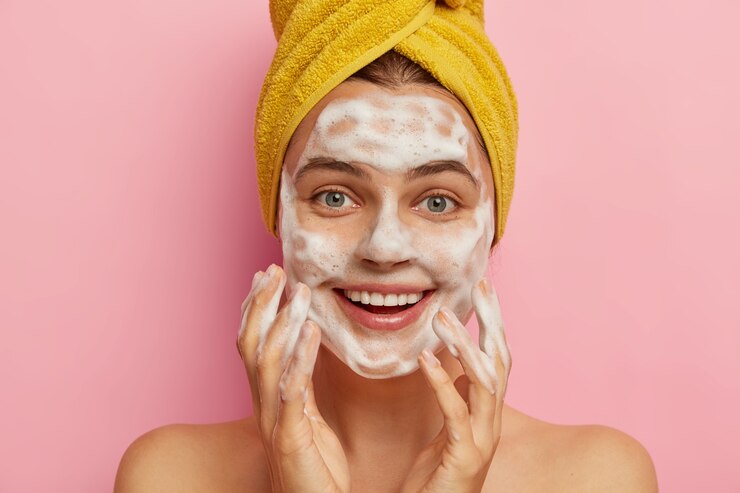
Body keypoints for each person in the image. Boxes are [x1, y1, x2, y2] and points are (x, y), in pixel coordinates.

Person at [115, 1, 658, 491]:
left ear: (493, 224)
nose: (384, 247)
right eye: (334, 196)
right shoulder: (170, 476)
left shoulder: (597, 478)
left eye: (438, 201)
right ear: (279, 214)